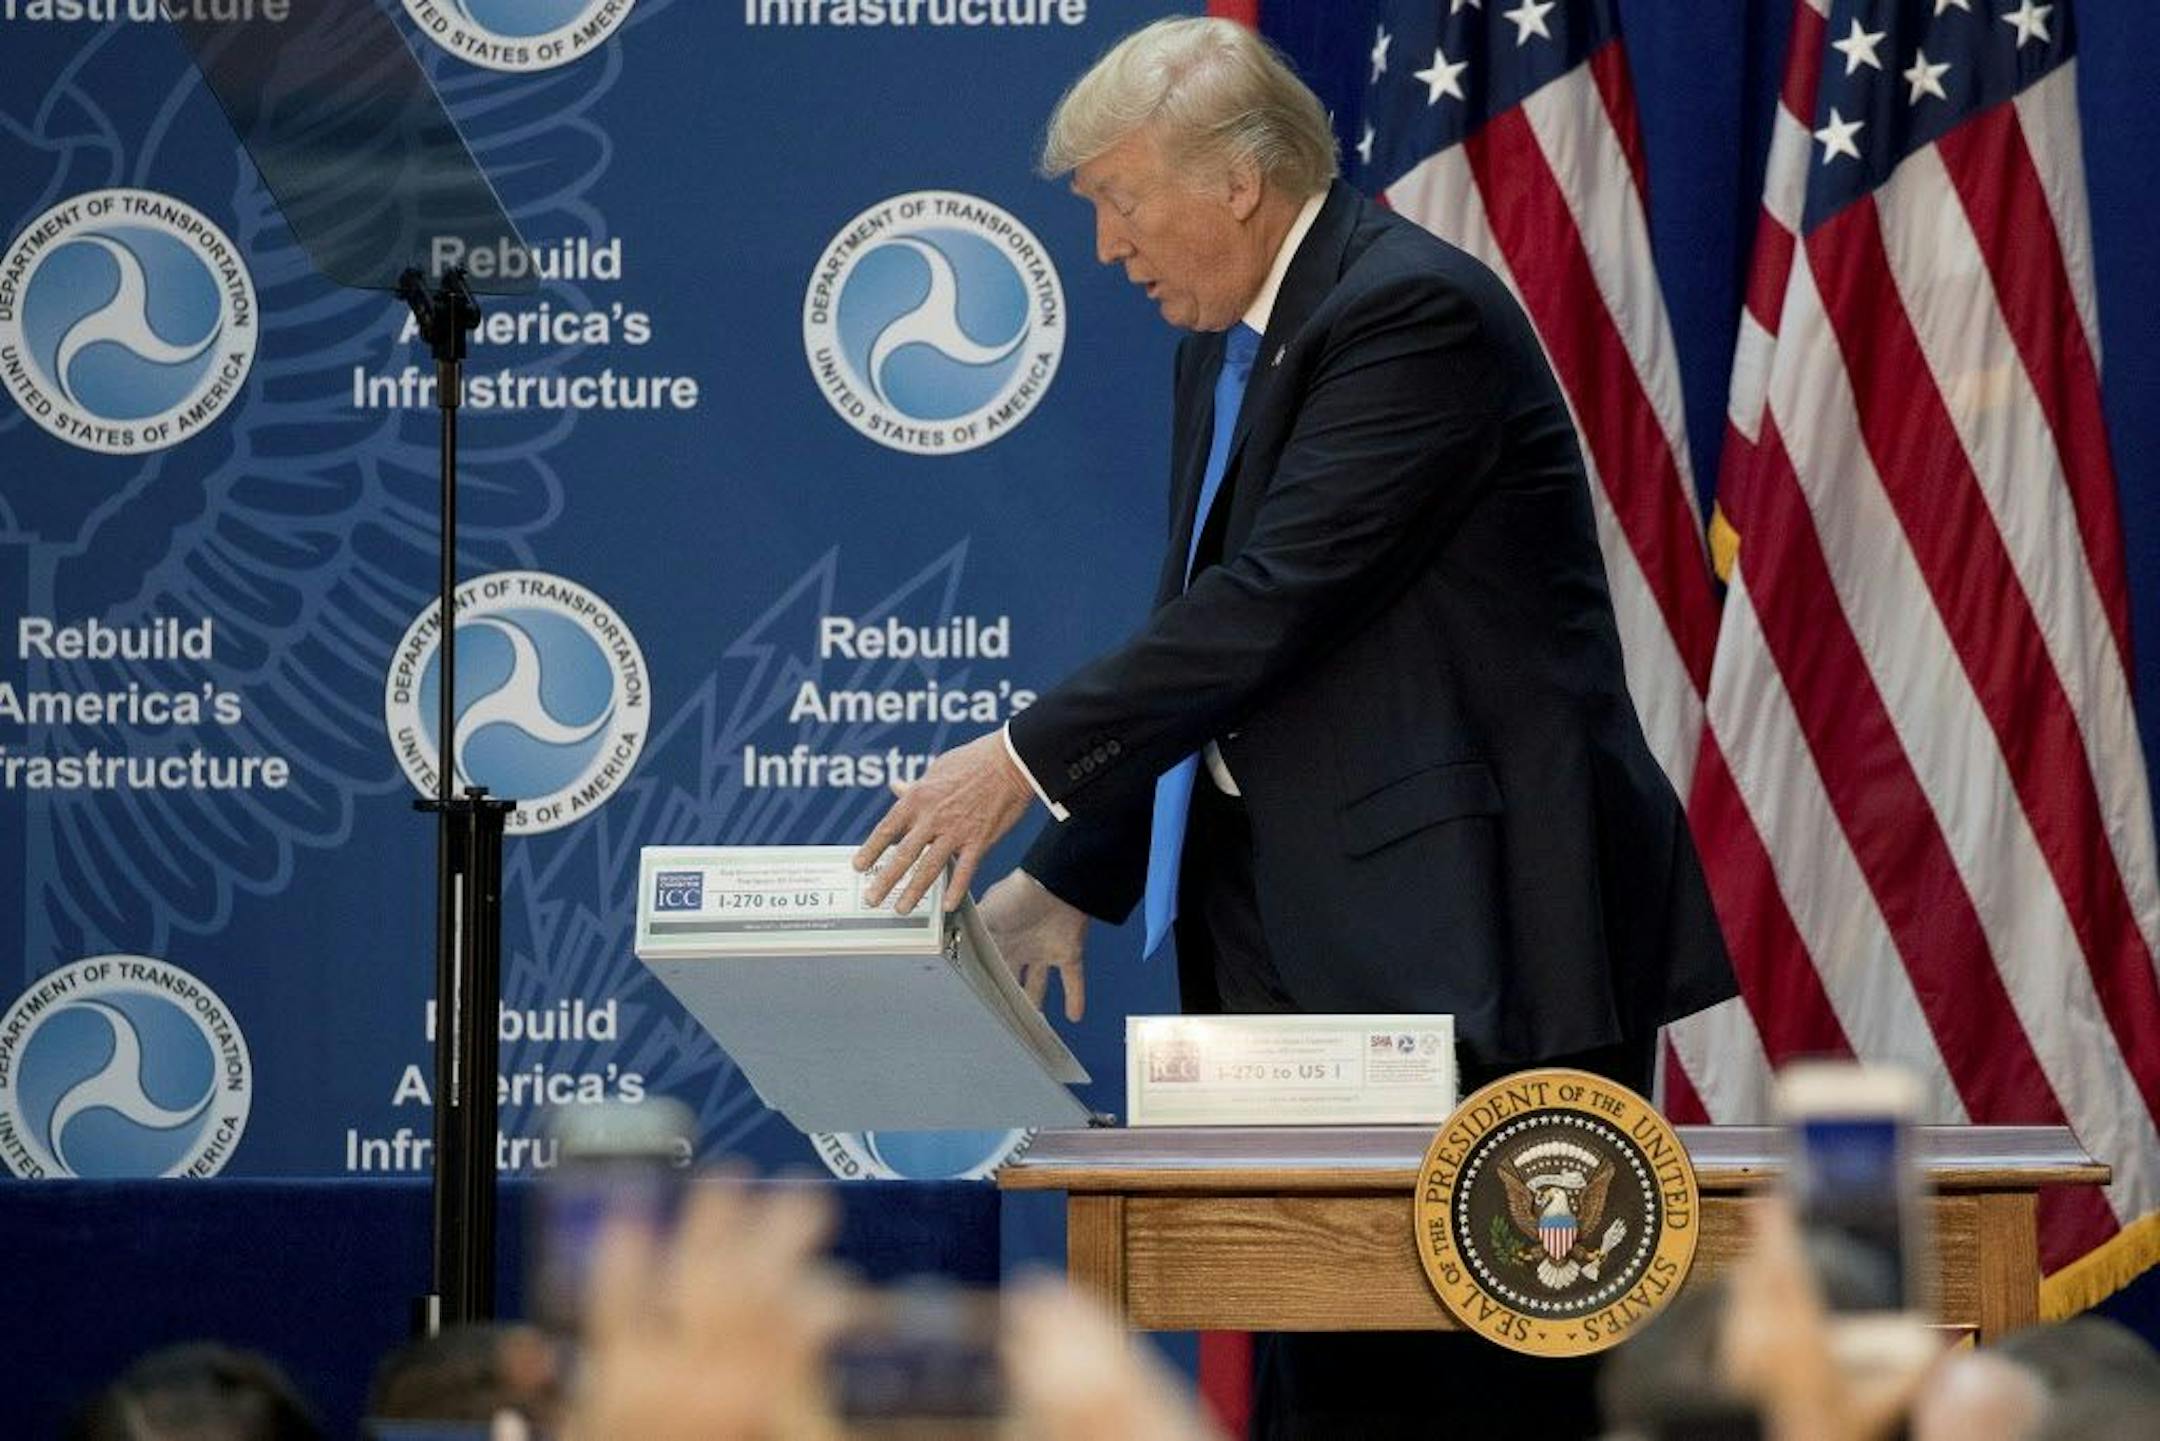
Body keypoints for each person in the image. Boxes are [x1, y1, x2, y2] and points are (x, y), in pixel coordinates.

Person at [852, 18, 1735, 1434]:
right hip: (1308, 947)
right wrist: (1074, 875)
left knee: (1487, 1386)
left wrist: (1018, 763)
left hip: (1477, 946)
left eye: (1119, 200)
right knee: (1325, 1378)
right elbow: (1209, 632)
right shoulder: (1232, 341)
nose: (1106, 247)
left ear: (1238, 181)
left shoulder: (1408, 314)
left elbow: (1274, 605)